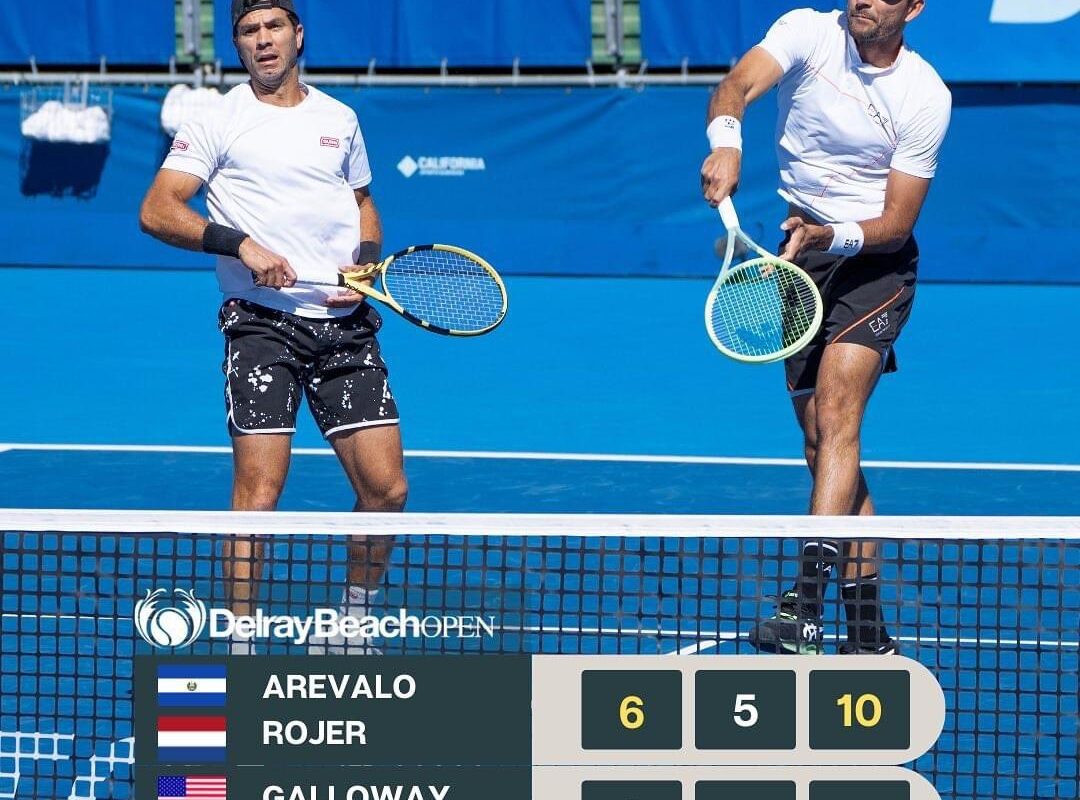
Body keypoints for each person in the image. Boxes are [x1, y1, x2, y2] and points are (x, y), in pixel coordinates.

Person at [139, 0, 404, 654]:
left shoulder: (339, 119)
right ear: (237, 43)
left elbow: (363, 203)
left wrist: (365, 264)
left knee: (388, 490)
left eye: (273, 27)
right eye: (249, 31)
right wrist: (242, 246)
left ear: (298, 35)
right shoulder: (217, 118)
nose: (262, 41)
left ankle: (352, 625)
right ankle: (242, 642)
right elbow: (157, 209)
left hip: (345, 326)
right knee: (259, 492)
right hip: (263, 327)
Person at [700, 0, 951, 654]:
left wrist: (829, 235)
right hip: (799, 256)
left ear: (914, 7)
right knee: (823, 448)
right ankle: (867, 630)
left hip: (874, 264)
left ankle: (804, 608)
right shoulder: (807, 31)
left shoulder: (925, 95)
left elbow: (896, 222)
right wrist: (726, 144)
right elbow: (736, 85)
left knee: (840, 417)